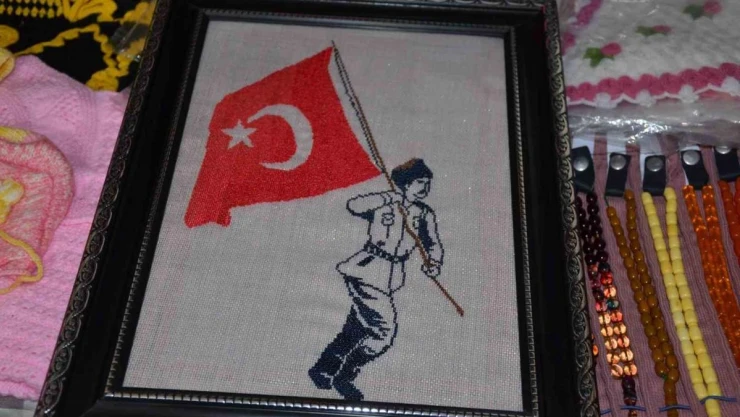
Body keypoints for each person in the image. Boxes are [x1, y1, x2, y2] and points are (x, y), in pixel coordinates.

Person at [308, 158, 444, 401]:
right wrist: (388, 197)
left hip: (392, 277)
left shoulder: (424, 213)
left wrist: (434, 263)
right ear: (405, 184)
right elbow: (354, 205)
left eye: (427, 183)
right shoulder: (385, 203)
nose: (424, 188)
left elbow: (432, 243)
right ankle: (345, 377)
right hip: (366, 271)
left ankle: (323, 369)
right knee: (383, 331)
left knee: (357, 328)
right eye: (419, 182)